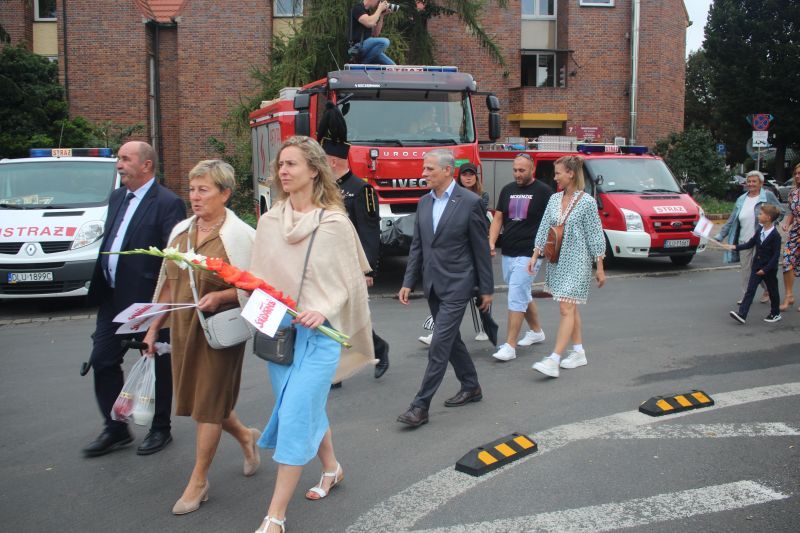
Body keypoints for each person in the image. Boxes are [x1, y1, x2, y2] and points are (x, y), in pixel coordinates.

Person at [250, 136, 374, 533]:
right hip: (280, 337)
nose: (283, 171)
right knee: (306, 408)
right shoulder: (269, 222)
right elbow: (257, 279)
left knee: (294, 415)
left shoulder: (334, 223)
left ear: (315, 171)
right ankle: (332, 468)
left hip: (320, 336)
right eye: (281, 164)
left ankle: (275, 516)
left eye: (292, 164)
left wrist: (325, 307)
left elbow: (351, 280)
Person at [142, 160, 258, 515]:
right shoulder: (181, 231)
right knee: (202, 401)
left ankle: (198, 481)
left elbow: (256, 287)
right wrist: (152, 329)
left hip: (221, 331)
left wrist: (221, 296)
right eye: (192, 189)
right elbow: (168, 284)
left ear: (225, 194)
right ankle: (246, 436)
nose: (195, 196)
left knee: (208, 403)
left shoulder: (240, 237)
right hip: (184, 329)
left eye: (203, 190)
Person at [82, 141, 186, 457]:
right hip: (113, 298)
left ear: (146, 165)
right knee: (102, 359)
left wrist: (162, 307)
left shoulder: (167, 203)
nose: (119, 164)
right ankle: (116, 428)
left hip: (148, 300)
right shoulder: (117, 197)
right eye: (119, 158)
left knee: (156, 362)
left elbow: (173, 259)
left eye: (126, 159)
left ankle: (160, 428)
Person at [398, 149, 493, 428]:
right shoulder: (424, 202)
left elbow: (481, 249)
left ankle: (420, 406)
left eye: (429, 169)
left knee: (439, 344)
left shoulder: (470, 202)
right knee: (451, 340)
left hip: (458, 284)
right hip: (433, 283)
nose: (423, 174)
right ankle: (471, 385)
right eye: (424, 168)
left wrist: (486, 288)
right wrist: (408, 281)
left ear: (447, 170)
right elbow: (418, 246)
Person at [318, 102, 390, 378]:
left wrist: (367, 269)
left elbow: (369, 232)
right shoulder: (322, 189)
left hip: (350, 263)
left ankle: (377, 348)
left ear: (332, 161)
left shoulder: (361, 190)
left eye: (321, 160)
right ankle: (340, 365)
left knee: (350, 316)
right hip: (327, 263)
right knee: (332, 315)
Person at [528, 155, 606, 378]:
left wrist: (600, 267)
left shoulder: (587, 202)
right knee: (571, 307)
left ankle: (554, 359)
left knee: (566, 308)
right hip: (558, 261)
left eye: (558, 173)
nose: (555, 177)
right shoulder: (554, 199)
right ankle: (579, 352)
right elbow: (544, 228)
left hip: (578, 262)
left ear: (570, 174)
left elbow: (595, 235)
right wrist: (535, 255)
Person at [489, 154, 551, 362]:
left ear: (532, 169)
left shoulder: (544, 191)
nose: (517, 174)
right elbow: (498, 218)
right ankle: (536, 331)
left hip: (530, 253)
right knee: (521, 291)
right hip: (508, 251)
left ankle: (510, 346)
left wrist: (542, 250)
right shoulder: (507, 189)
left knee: (516, 294)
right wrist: (491, 241)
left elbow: (552, 223)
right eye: (515, 170)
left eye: (522, 170)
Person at [715, 170, 782, 305]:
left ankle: (767, 289)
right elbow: (732, 219)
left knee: (760, 269)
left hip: (762, 241)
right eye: (749, 181)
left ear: (761, 183)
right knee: (746, 270)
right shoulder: (741, 199)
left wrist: (770, 225)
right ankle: (746, 296)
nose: (750, 184)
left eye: (754, 181)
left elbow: (781, 211)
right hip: (744, 240)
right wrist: (720, 235)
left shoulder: (767, 195)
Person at [726, 204, 783, 324]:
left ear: (768, 218)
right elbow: (750, 244)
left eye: (761, 214)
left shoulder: (775, 236)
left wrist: (766, 269)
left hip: (769, 270)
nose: (758, 215)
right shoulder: (760, 230)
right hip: (757, 266)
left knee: (773, 291)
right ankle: (742, 314)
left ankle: (775, 313)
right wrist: (734, 247)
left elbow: (776, 256)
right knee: (750, 290)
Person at [779, 163, 800, 311]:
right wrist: (787, 224)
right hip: (795, 232)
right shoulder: (793, 193)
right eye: (796, 173)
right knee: (787, 261)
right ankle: (789, 296)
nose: (797, 176)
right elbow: (792, 212)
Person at [350, 0, 396, 65]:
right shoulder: (358, 8)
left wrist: (381, 15)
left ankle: (364, 62)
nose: (379, 3)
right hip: (358, 46)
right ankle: (363, 63)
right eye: (379, 1)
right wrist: (379, 9)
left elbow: (375, 33)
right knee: (385, 42)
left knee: (392, 67)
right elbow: (369, 23)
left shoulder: (368, 12)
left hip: (368, 46)